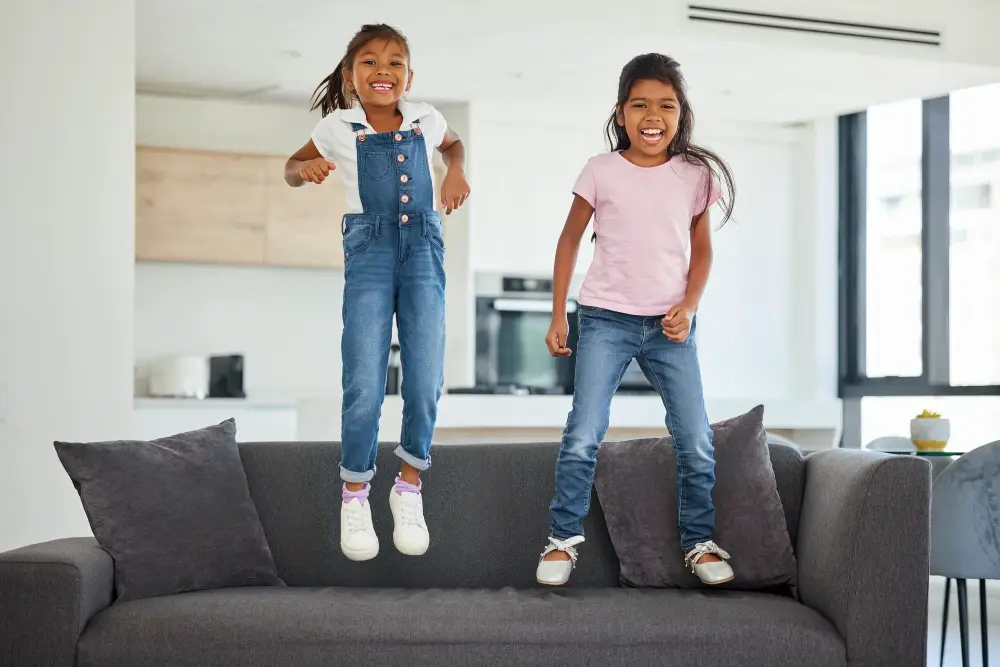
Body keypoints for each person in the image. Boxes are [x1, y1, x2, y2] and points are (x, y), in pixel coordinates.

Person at [535, 53, 736, 587]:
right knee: (584, 431)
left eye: (666, 105)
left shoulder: (695, 174)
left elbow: (703, 252)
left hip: (670, 327)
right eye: (640, 104)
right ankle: (561, 540)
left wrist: (689, 307)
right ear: (621, 113)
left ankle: (700, 542)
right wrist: (559, 313)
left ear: (680, 112)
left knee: (694, 436)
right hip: (604, 319)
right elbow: (570, 239)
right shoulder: (601, 170)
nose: (653, 115)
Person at [284, 24, 470, 562]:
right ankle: (356, 492)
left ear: (409, 76)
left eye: (394, 62)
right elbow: (292, 167)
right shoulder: (337, 126)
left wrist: (456, 172)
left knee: (427, 376)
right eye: (368, 62)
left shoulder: (426, 119)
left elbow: (454, 146)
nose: (382, 70)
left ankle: (408, 485)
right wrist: (307, 169)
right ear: (350, 76)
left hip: (424, 249)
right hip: (369, 251)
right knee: (364, 379)